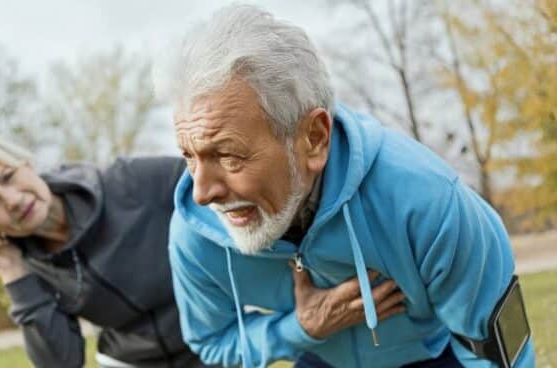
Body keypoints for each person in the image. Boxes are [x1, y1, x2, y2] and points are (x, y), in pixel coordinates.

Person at [158, 4, 536, 368]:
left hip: (436, 357)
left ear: (314, 138)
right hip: (320, 358)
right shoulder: (195, 234)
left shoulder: (428, 202)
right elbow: (211, 342)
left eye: (228, 155)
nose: (202, 193)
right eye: (190, 156)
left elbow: (495, 350)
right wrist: (301, 328)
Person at [0, 130, 205, 368]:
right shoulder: (29, 267)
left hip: (222, 343)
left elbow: (224, 188)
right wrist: (13, 271)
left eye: (7, 176)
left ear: (24, 163)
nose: (13, 199)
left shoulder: (130, 182)